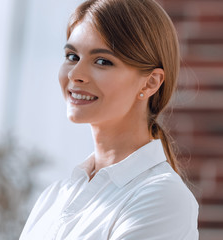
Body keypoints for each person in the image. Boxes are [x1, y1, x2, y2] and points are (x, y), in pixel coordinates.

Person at [20, 0, 199, 239]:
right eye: (72, 56)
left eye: (102, 61)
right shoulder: (54, 196)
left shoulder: (163, 198)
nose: (75, 74)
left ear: (151, 82)